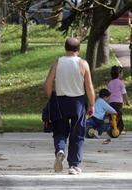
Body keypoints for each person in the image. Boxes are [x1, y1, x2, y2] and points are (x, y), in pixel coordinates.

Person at [45, 37, 95, 175]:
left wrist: (51, 98)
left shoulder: (57, 63)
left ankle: (60, 150)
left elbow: (48, 83)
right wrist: (91, 104)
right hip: (78, 102)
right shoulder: (83, 63)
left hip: (60, 101)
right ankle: (74, 165)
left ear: (65, 48)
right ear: (78, 50)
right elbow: (89, 86)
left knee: (60, 130)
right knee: (77, 133)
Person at [107, 66, 130, 134]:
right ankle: (114, 128)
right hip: (118, 103)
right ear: (119, 74)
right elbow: (124, 93)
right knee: (118, 115)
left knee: (115, 115)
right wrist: (127, 101)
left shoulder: (110, 83)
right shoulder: (121, 82)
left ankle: (120, 128)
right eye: (122, 73)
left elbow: (109, 93)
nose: (122, 74)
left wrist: (107, 102)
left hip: (111, 102)